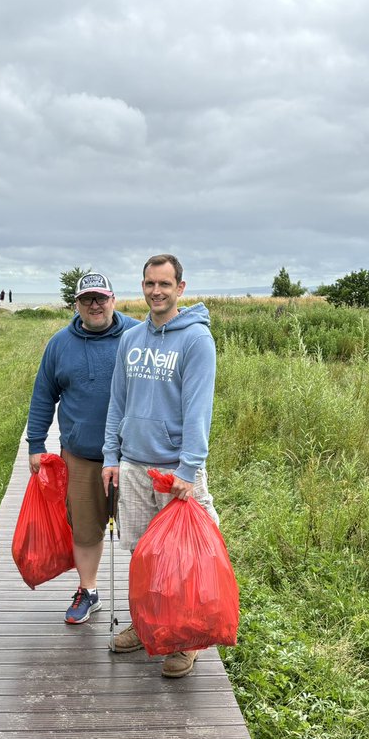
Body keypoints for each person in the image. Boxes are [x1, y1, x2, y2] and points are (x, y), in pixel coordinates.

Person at [101, 253, 219, 678]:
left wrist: (188, 470)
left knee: (182, 559)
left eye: (165, 284)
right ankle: (146, 624)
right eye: (150, 283)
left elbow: (198, 409)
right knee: (141, 555)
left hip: (174, 471)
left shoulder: (196, 340)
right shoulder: (130, 340)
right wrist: (111, 457)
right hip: (133, 464)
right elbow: (117, 402)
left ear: (180, 289)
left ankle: (184, 641)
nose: (156, 291)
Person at [26, 271, 140, 624]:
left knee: (142, 533)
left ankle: (146, 601)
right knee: (86, 528)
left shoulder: (138, 335)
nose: (95, 305)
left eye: (101, 298)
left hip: (134, 457)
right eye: (87, 299)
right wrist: (35, 442)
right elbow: (44, 394)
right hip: (81, 456)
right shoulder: (60, 344)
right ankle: (88, 591)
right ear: (76, 304)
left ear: (113, 300)